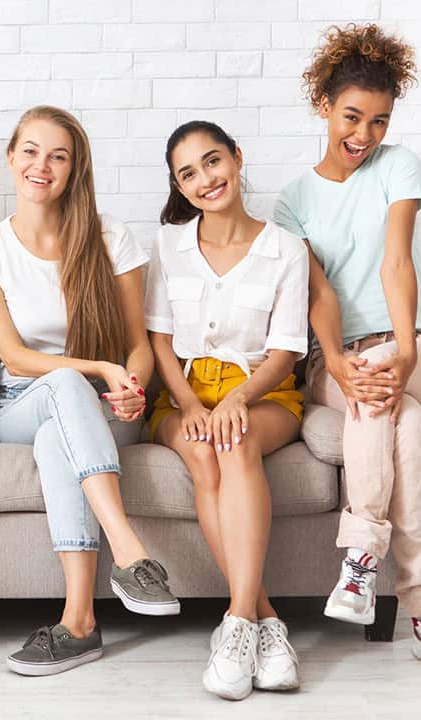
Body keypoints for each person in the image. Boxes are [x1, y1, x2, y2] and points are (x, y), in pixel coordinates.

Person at [0, 105, 179, 678]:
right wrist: (101, 369)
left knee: (61, 437)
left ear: (75, 168)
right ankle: (128, 551)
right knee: (59, 385)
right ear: (11, 158)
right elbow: (13, 356)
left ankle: (79, 624)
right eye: (30, 151)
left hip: (105, 411)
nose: (42, 165)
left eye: (59, 155)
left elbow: (139, 344)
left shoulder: (111, 237)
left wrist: (129, 383)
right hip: (17, 405)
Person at [274, 23, 421, 661]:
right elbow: (317, 296)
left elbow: (396, 262)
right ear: (324, 106)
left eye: (380, 122)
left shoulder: (400, 166)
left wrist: (408, 346)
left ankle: (360, 561)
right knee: (396, 415)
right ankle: (416, 603)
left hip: (400, 340)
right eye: (352, 117)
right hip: (334, 355)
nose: (364, 136)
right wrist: (336, 360)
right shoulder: (292, 201)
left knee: (389, 393)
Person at [147, 121, 307, 699]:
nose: (205, 179)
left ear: (237, 158)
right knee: (203, 452)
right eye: (188, 173)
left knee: (234, 442)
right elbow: (160, 340)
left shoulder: (285, 248)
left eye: (212, 162)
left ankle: (236, 621)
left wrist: (239, 399)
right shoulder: (167, 245)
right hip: (184, 393)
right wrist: (189, 404)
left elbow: (287, 349)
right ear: (179, 185)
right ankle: (266, 624)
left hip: (262, 391)